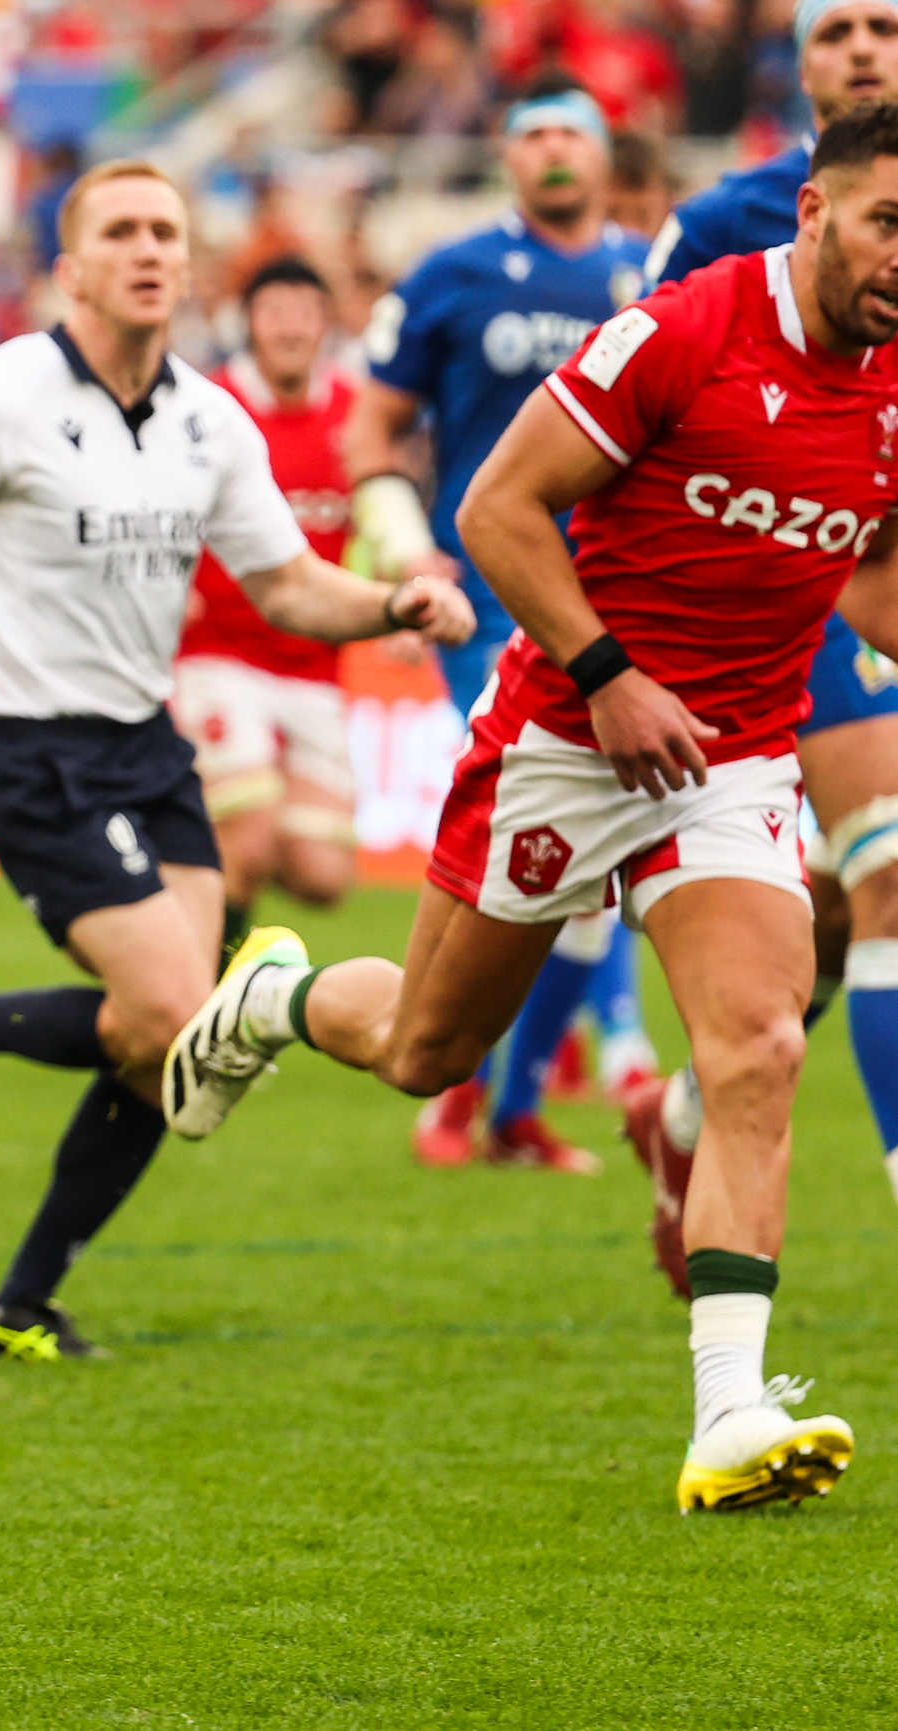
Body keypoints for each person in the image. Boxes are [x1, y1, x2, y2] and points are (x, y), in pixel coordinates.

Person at [167, 101, 898, 1511]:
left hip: (733, 751)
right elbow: (497, 506)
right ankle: (270, 997)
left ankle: (729, 1408)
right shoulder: (679, 329)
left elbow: (865, 572)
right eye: (887, 223)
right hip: (565, 734)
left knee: (754, 1041)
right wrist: (608, 675)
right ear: (812, 212)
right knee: (419, 1049)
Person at [0, 163, 472, 1363]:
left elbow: (283, 582)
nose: (149, 249)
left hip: (151, 750)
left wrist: (395, 605)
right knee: (181, 1013)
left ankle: (14, 1294)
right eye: (119, 231)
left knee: (157, 1036)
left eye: (166, 230)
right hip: (35, 753)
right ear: (69, 268)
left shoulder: (208, 418)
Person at [627, 0, 898, 1297]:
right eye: (833, 26)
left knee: (844, 917)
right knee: (891, 867)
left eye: (881, 25)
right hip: (792, 584)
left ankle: (685, 1105)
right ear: (793, 64)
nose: (858, 46)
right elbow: (634, 403)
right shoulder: (732, 215)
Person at [347, 77, 658, 1174]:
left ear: (604, 146)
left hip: (630, 606)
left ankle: (505, 1103)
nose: (554, 150)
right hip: (491, 604)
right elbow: (372, 425)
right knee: (552, 847)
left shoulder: (660, 273)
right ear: (506, 155)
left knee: (586, 857)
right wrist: (401, 544)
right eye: (532, 135)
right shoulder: (452, 275)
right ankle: (501, 1085)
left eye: (572, 128)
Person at [170, 256, 368, 939]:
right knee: (247, 839)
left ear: (325, 325)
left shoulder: (357, 415)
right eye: (273, 310)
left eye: (304, 311)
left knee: (323, 877)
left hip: (315, 666)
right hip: (217, 652)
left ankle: (170, 845)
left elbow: (373, 517)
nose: (288, 325)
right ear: (247, 322)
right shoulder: (207, 407)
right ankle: (206, 1008)